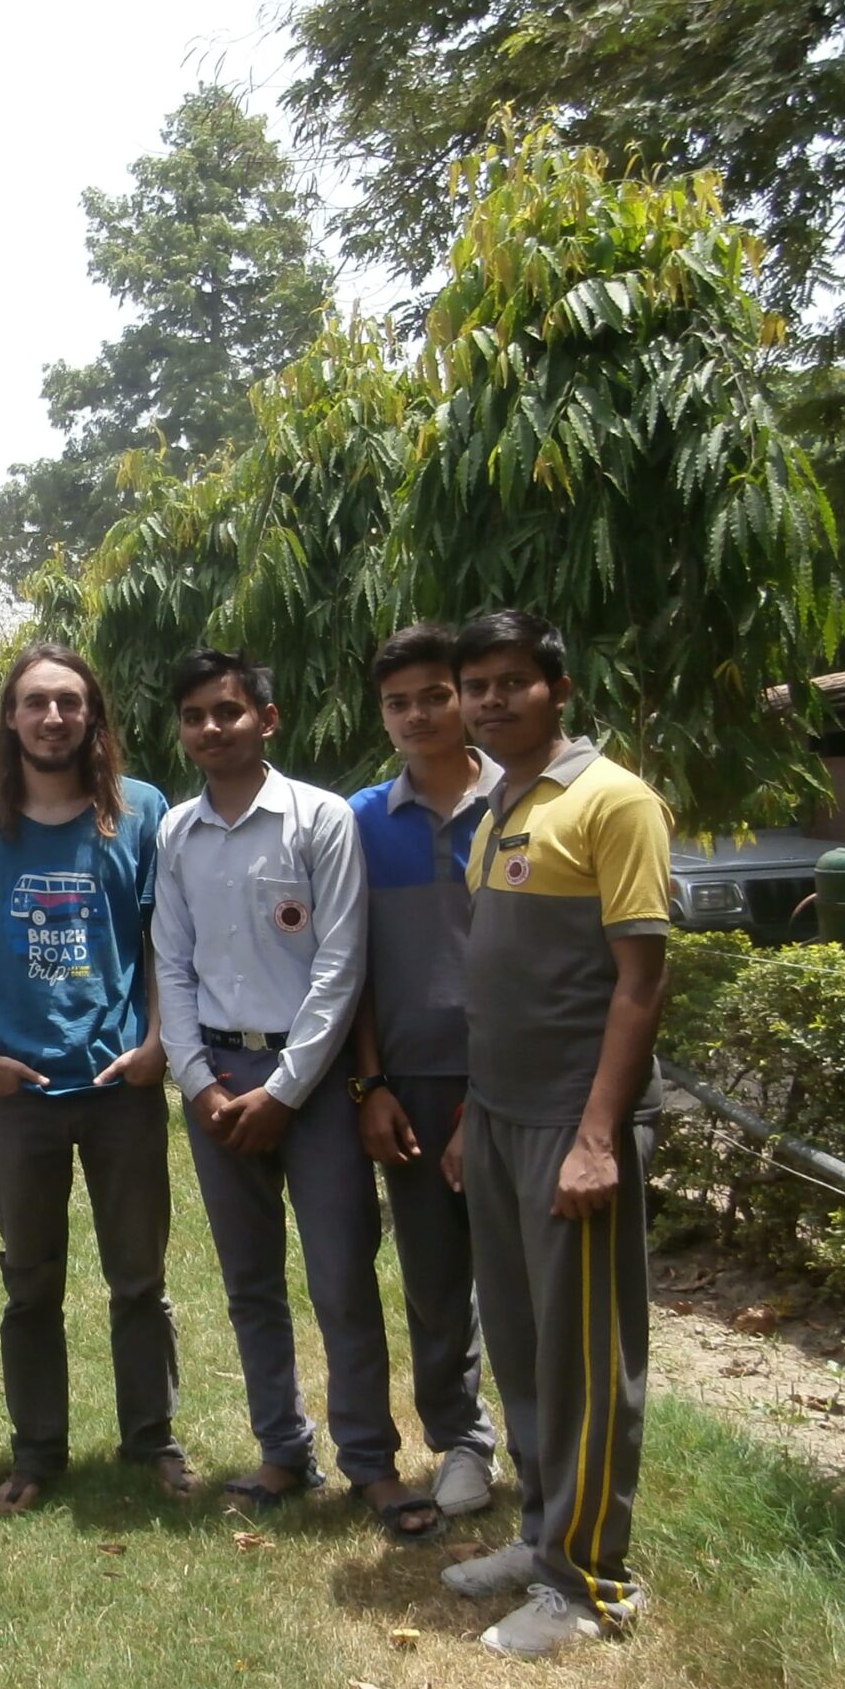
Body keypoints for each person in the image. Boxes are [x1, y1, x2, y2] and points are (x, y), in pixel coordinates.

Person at [153, 650, 438, 1538]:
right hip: (216, 1084)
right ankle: (283, 1449)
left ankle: (369, 1463)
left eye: (228, 712)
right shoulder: (176, 834)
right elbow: (171, 962)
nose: (211, 728)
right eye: (196, 714)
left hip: (306, 1086)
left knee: (341, 1275)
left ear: (266, 720)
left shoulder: (319, 820)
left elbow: (341, 965)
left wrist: (284, 1089)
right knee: (249, 1283)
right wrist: (198, 1079)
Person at [439, 609, 671, 1659]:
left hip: (572, 1125)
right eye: (474, 686)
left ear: (558, 690)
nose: (489, 701)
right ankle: (541, 1541)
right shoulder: (498, 806)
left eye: (510, 683)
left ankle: (592, 1586)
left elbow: (639, 981)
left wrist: (594, 1137)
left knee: (584, 1359)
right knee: (526, 1347)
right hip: (497, 1115)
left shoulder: (614, 802)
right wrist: (469, 1117)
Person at [0, 642, 197, 1515]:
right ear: (11, 716)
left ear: (92, 717)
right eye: (35, 703)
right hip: (20, 1092)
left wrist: (158, 1043)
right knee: (30, 1282)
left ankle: (152, 1439)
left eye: (69, 703)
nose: (52, 718)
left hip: (122, 1084)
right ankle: (38, 1451)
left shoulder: (140, 811)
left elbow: (163, 944)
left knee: (138, 1279)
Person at [345, 625, 505, 1519]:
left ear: (466, 697)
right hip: (410, 1086)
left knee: (520, 1279)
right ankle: (460, 1443)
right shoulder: (362, 821)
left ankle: (550, 1445)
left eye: (434, 696)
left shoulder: (522, 805)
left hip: (517, 1087)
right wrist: (372, 1087)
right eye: (398, 703)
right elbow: (351, 966)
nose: (416, 716)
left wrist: (491, 1094)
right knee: (436, 1281)